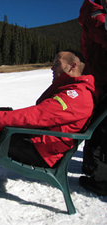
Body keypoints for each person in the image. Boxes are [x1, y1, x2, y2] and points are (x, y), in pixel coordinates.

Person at [0, 50, 97, 193]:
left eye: (57, 64)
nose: (52, 68)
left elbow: (35, 115)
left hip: (43, 150)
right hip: (41, 141)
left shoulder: (75, 96)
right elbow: (38, 115)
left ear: (72, 66)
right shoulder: (73, 90)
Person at [78, 0, 107, 195]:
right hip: (100, 81)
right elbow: (103, 36)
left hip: (100, 78)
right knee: (101, 127)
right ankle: (98, 174)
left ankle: (93, 167)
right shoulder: (96, 14)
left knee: (99, 125)